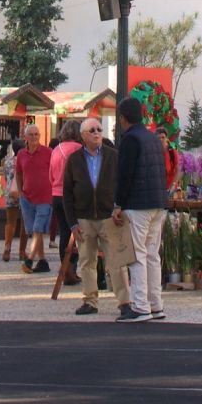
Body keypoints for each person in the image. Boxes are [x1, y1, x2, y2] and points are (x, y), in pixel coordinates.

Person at [62, 116, 132, 318]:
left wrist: (120, 206)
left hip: (110, 216)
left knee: (117, 261)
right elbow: (67, 193)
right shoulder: (74, 160)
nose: (96, 133)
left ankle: (125, 303)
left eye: (99, 129)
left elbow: (123, 185)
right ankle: (90, 301)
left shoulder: (113, 156)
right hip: (84, 217)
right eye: (91, 130)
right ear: (83, 135)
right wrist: (72, 223)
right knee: (86, 262)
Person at [114, 96, 168, 322]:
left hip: (138, 204)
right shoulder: (155, 139)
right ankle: (156, 305)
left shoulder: (130, 140)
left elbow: (125, 175)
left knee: (138, 255)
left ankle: (140, 306)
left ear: (123, 118)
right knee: (153, 254)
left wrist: (119, 204)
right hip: (158, 202)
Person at [14, 123, 53, 274]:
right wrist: (20, 190)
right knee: (34, 231)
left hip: (45, 197)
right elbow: (18, 173)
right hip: (27, 198)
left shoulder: (48, 152)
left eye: (36, 134)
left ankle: (29, 259)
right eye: (31, 134)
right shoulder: (21, 155)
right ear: (25, 137)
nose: (34, 137)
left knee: (38, 229)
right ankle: (43, 261)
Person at [49, 120, 83, 285]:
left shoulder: (56, 149)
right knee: (75, 232)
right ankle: (72, 269)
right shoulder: (78, 149)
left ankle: (65, 269)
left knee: (64, 232)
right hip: (72, 197)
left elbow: (50, 175)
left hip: (56, 195)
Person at [0, 137, 28, 263]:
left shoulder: (7, 161)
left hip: (11, 193)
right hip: (24, 193)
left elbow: (6, 176)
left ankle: (7, 248)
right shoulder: (26, 159)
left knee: (10, 222)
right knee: (24, 223)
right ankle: (22, 251)